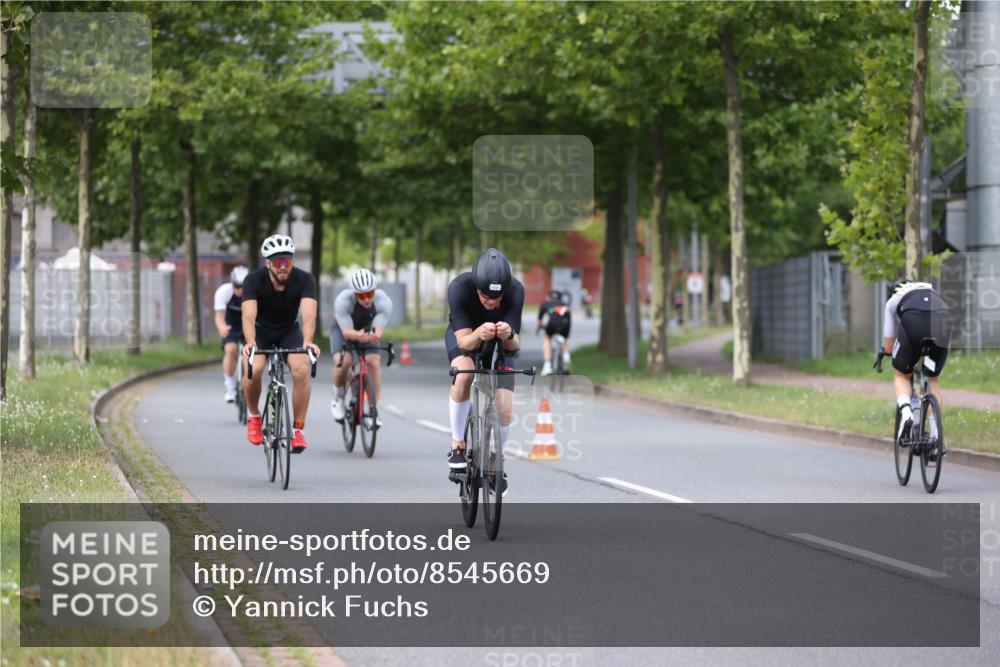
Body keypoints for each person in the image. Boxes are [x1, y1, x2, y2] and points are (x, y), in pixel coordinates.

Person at [444, 248, 524, 495]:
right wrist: (479, 333)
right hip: (466, 337)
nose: (492, 302)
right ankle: (458, 443)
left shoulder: (516, 290)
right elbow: (464, 344)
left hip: (499, 344)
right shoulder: (459, 288)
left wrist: (508, 334)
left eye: (498, 298)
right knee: (464, 374)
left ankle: (496, 461)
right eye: (487, 296)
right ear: (477, 288)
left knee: (505, 405)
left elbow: (514, 347)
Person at [240, 234, 320, 453]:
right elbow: (248, 316)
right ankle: (254, 416)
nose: (283, 267)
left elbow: (309, 315)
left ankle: (298, 429)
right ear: (268, 264)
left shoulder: (304, 279)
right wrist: (250, 343)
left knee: (301, 369)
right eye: (278, 262)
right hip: (261, 331)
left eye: (287, 261)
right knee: (254, 369)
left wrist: (308, 342)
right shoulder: (253, 280)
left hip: (288, 331)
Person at [882, 280, 951, 444]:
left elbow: (889, 346)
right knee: (933, 379)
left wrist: (888, 352)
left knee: (901, 374)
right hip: (942, 319)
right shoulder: (934, 292)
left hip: (913, 320)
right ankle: (936, 436)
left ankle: (906, 413)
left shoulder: (893, 301)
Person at [330, 268, 393, 427]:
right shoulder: (343, 300)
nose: (366, 299)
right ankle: (338, 398)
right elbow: (347, 333)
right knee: (344, 361)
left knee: (373, 362)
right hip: (343, 330)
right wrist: (358, 336)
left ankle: (372, 410)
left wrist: (373, 335)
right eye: (361, 295)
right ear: (354, 294)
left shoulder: (383, 301)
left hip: (366, 329)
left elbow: (377, 331)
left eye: (369, 294)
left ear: (375, 291)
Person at [214, 266, 248, 402]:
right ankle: (230, 386)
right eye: (237, 286)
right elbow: (219, 316)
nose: (240, 290)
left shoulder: (254, 292)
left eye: (243, 286)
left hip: (248, 325)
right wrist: (222, 327)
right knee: (230, 349)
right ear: (232, 283)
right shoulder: (224, 292)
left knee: (249, 355)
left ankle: (248, 382)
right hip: (231, 325)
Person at [537, 288, 572, 376]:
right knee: (564, 340)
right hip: (565, 324)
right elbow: (569, 316)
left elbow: (540, 320)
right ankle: (567, 363)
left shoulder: (545, 303)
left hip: (551, 325)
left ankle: (547, 366)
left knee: (547, 338)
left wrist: (540, 326)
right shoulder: (564, 304)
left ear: (548, 297)